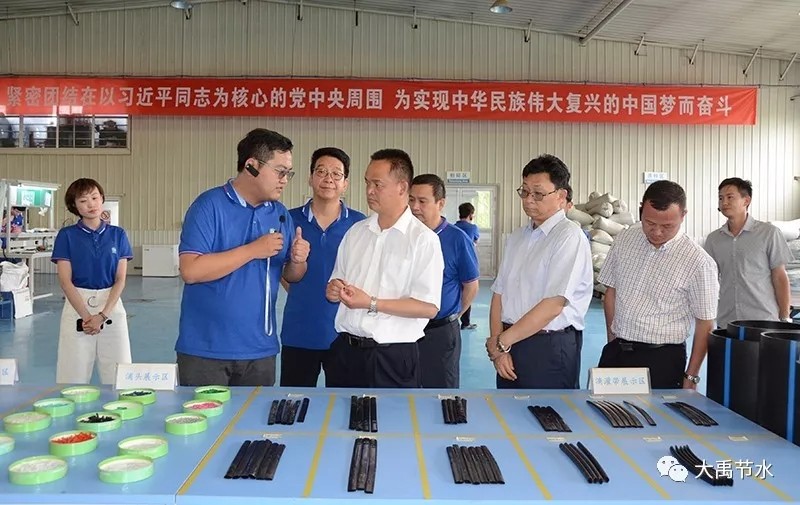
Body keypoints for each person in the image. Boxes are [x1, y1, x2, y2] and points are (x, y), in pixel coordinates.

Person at [176, 128, 310, 387]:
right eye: (280, 171)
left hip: (260, 350)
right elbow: (190, 271)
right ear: (251, 166)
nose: (285, 180)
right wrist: (252, 250)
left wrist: (298, 260)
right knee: (207, 414)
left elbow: (290, 276)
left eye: (288, 173)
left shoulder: (280, 214)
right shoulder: (209, 206)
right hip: (206, 350)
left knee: (255, 415)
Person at [325, 149, 444, 388]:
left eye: (377, 184)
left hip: (392, 358)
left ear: (402, 187)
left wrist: (371, 303)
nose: (369, 190)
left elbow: (428, 307)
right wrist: (334, 289)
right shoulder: (356, 233)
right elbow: (336, 281)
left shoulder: (423, 240)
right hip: (346, 352)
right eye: (367, 183)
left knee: (390, 414)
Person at [597, 180, 719, 389]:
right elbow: (611, 293)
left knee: (655, 411)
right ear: (641, 210)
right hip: (617, 352)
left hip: (662, 359)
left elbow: (705, 323)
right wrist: (612, 339)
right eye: (650, 223)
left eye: (667, 226)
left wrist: (691, 377)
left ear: (683, 215)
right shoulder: (626, 239)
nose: (657, 232)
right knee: (605, 408)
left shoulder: (698, 262)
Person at [486, 155, 593, 389]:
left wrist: (501, 342)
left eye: (538, 194)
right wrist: (498, 345)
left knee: (548, 411)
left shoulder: (568, 237)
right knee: (508, 409)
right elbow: (499, 293)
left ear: (561, 196)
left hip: (548, 347)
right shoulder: (517, 237)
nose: (528, 200)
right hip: (510, 344)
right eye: (524, 192)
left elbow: (554, 304)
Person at [279, 147, 366, 387]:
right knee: (295, 402)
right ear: (310, 178)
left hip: (346, 334)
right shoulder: (289, 220)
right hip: (299, 332)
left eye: (336, 174)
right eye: (321, 171)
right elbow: (281, 270)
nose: (328, 179)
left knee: (345, 404)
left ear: (345, 184)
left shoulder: (360, 224)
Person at [51, 178, 133, 384]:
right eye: (83, 201)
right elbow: (65, 281)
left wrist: (103, 315)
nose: (91, 204)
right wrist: (87, 317)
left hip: (111, 304)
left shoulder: (118, 235)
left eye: (95, 198)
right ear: (74, 206)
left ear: (102, 199)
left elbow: (120, 279)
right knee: (73, 372)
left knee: (119, 371)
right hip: (77, 304)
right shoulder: (67, 236)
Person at [409, 174, 479, 388]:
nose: (415, 207)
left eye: (422, 201)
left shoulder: (457, 239)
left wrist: (454, 315)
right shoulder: (403, 235)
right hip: (405, 330)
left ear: (440, 203)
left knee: (441, 394)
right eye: (411, 200)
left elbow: (471, 285)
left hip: (439, 333)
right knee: (404, 392)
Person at [704, 177, 793, 327]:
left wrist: (784, 317)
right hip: (727, 321)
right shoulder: (714, 239)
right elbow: (709, 279)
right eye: (720, 198)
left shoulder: (769, 233)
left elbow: (779, 276)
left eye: (730, 197)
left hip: (763, 319)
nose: (724, 202)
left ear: (746, 200)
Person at [454, 202, 480, 330]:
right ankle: (465, 322)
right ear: (471, 215)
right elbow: (475, 241)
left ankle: (452, 317)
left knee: (455, 291)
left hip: (454, 265)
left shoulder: (453, 227)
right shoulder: (473, 228)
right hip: (467, 264)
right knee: (468, 291)